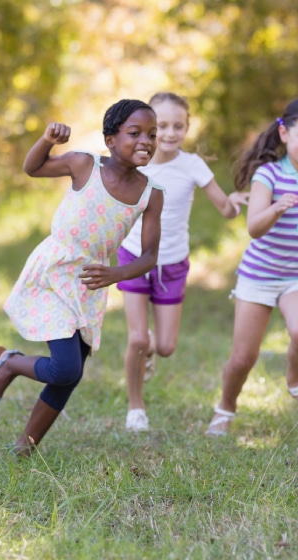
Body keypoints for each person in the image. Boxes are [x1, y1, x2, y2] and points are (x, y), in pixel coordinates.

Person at [0, 99, 165, 457]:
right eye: (135, 133)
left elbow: (150, 256)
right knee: (64, 368)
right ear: (110, 139)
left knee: (72, 373)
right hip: (54, 271)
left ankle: (25, 447)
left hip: (90, 281)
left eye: (152, 135)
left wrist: (116, 274)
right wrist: (47, 140)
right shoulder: (84, 164)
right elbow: (32, 168)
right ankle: (10, 364)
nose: (146, 141)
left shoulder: (151, 194)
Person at [205, 97, 298, 436]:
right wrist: (275, 209)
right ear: (284, 133)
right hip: (259, 276)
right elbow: (254, 227)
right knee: (243, 358)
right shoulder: (268, 175)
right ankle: (225, 407)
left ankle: (297, 383)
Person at [116, 92, 249, 432]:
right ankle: (136, 408)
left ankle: (147, 347)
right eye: (162, 126)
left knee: (165, 346)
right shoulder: (133, 161)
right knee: (137, 340)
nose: (170, 133)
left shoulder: (191, 165)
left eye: (179, 126)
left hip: (172, 263)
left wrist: (235, 202)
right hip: (133, 256)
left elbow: (225, 208)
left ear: (188, 128)